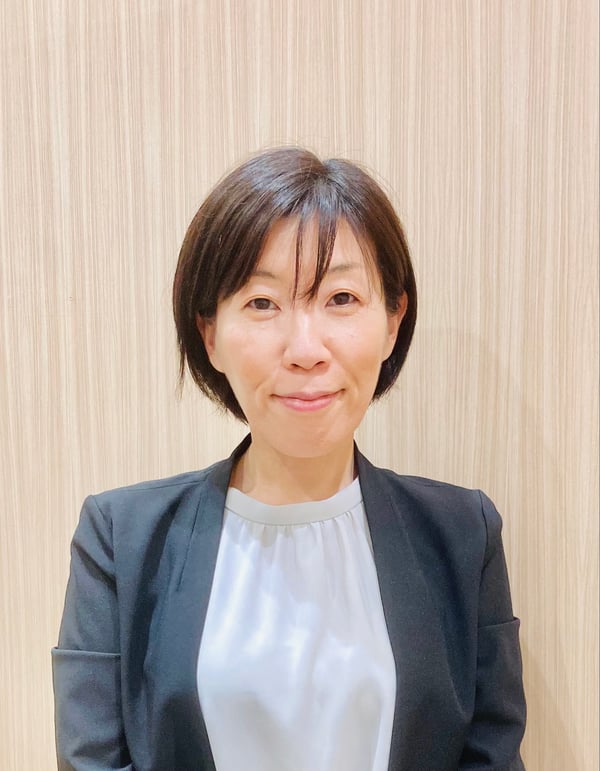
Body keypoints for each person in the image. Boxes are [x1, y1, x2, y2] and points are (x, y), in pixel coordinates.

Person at [52, 147, 526, 771]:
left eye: (341, 298)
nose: (306, 349)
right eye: (262, 303)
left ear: (393, 321)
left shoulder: (463, 535)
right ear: (210, 334)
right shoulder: (121, 538)